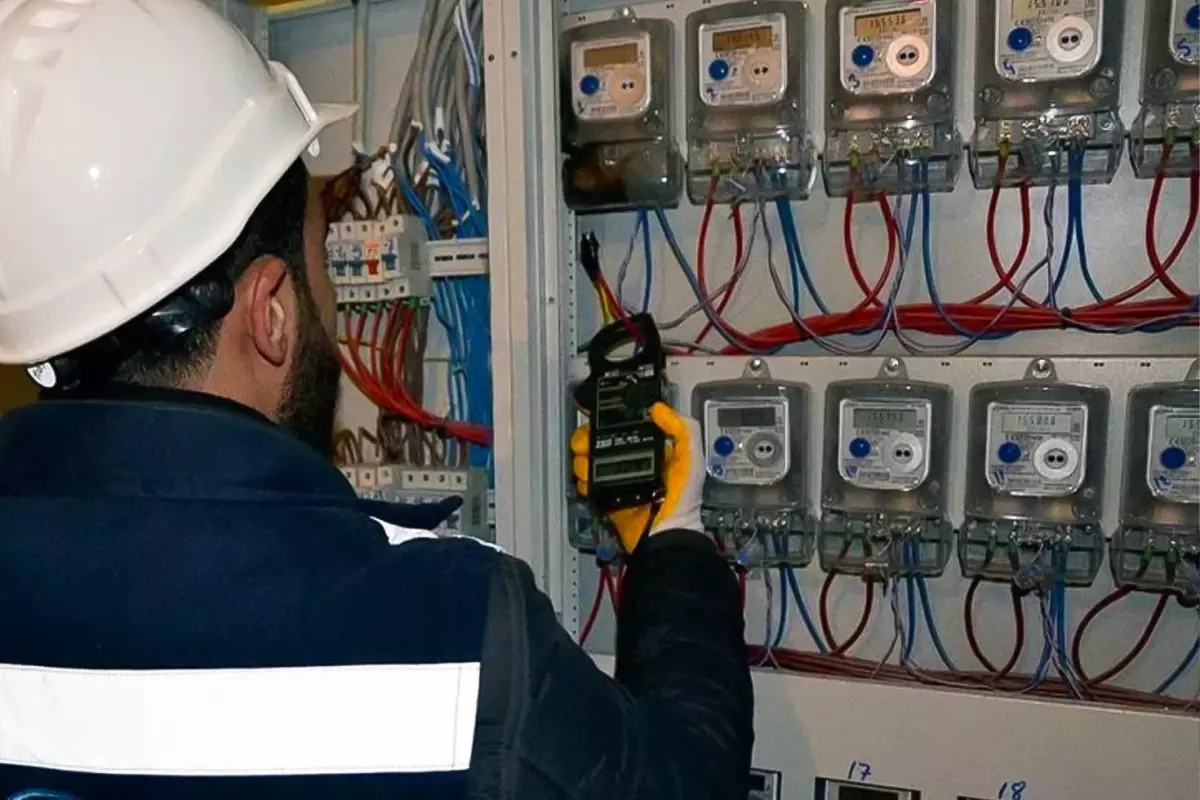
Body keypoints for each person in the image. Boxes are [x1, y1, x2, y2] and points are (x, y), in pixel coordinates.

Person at [0, 1, 753, 798]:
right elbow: (686, 781)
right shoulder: (450, 626)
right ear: (271, 313)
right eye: (322, 268)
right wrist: (673, 541)